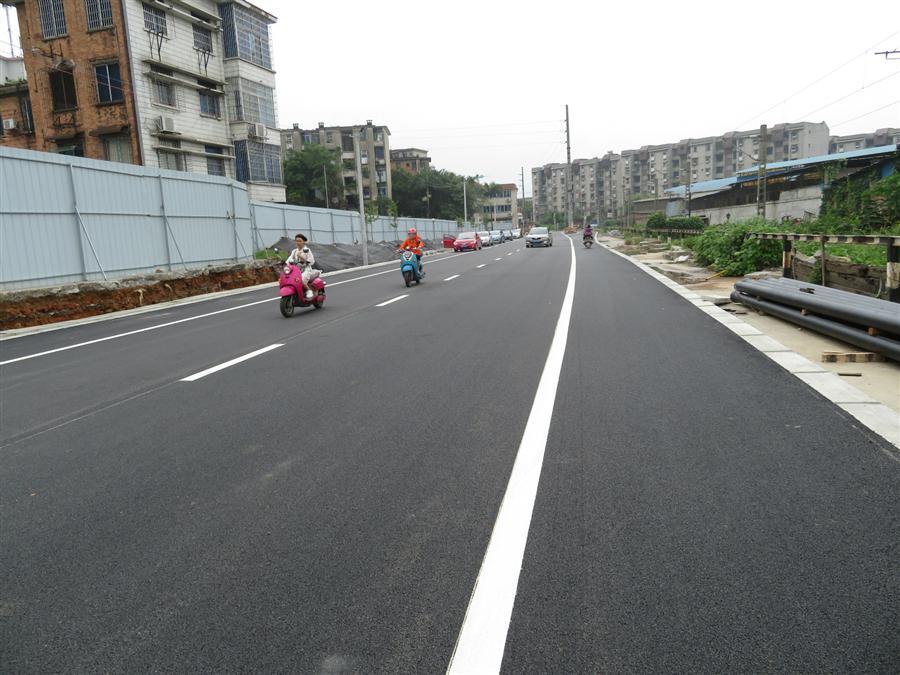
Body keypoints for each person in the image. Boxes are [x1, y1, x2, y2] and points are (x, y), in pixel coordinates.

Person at [286, 233, 318, 300]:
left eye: (300, 241)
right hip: (296, 270)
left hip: (306, 269)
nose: (298, 243)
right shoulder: (294, 251)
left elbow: (312, 261)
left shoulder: (307, 250)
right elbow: (288, 260)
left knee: (300, 279)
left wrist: (301, 257)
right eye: (296, 241)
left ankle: (309, 291)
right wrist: (287, 264)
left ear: (303, 242)